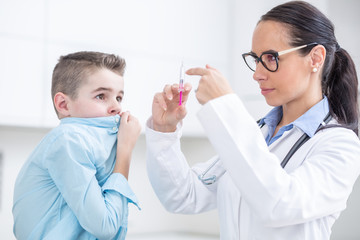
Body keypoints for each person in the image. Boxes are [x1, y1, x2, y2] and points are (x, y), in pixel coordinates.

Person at [145, 1, 360, 239]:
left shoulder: (340, 144)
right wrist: (164, 132)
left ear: (315, 58)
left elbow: (279, 205)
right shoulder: (258, 134)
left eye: (270, 58)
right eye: (255, 59)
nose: (257, 74)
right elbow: (184, 196)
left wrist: (225, 106)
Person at [12, 51, 141, 240]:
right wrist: (125, 150)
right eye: (101, 96)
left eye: (119, 97)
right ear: (63, 104)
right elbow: (106, 227)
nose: (116, 107)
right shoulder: (69, 140)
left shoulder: (90, 142)